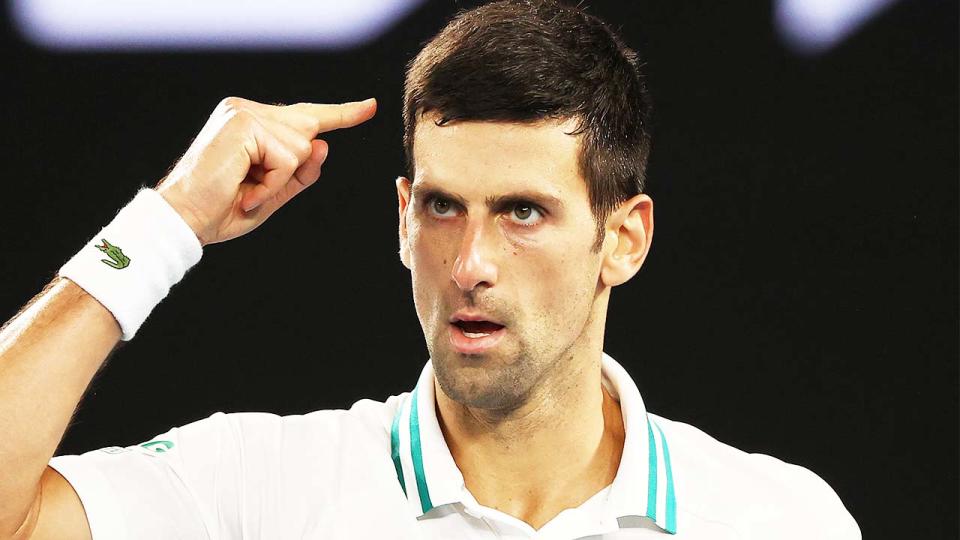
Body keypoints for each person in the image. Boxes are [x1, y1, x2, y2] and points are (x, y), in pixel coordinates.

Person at [0, 1, 861, 539]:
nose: (472, 264)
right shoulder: (261, 488)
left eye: (523, 212)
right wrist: (167, 222)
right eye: (443, 208)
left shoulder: (779, 520)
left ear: (624, 239)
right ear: (404, 220)